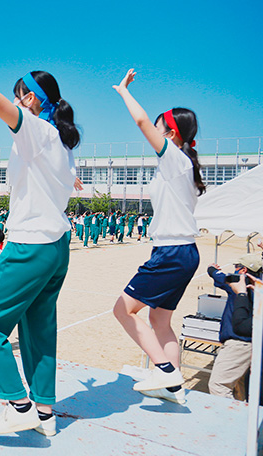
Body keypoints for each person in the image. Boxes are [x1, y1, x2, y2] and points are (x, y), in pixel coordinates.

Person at [0, 70, 81, 437]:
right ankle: (45, 414)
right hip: (56, 246)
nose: (17, 101)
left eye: (23, 95)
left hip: (30, 243)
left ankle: (18, 404)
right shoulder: (61, 143)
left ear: (35, 99)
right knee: (38, 330)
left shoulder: (37, 130)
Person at [112, 69, 205, 405]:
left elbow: (141, 123)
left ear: (170, 132)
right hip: (183, 251)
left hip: (171, 252)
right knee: (159, 318)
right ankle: (173, 387)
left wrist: (123, 91)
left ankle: (165, 370)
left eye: (160, 126)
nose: (154, 130)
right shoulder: (184, 164)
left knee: (123, 310)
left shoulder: (174, 159)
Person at [207, 254, 262, 400]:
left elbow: (217, 275)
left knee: (219, 385)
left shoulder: (237, 283)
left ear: (243, 270)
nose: (234, 270)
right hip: (253, 343)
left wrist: (211, 268)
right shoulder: (260, 285)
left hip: (238, 343)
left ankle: (228, 421)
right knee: (240, 388)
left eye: (236, 267)